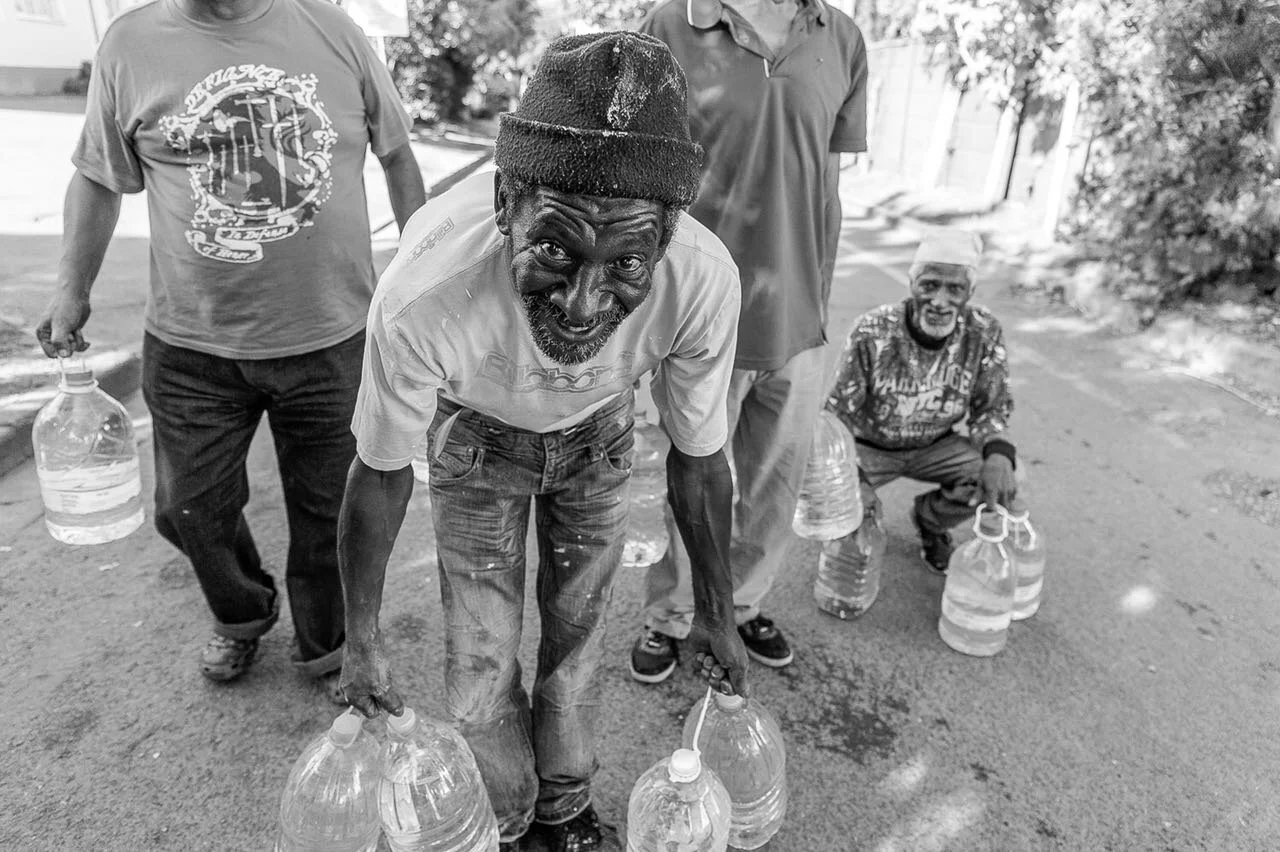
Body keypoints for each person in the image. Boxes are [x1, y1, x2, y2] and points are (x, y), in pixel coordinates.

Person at [336, 32, 751, 852]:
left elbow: (700, 459)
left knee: (578, 643)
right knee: (482, 659)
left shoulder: (703, 282)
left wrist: (715, 613)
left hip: (598, 440)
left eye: (627, 263)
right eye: (555, 249)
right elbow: (379, 471)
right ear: (503, 202)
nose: (583, 303)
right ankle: (509, 818)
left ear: (668, 236)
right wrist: (361, 638)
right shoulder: (425, 295)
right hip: (477, 446)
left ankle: (561, 811)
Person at [34, 0, 426, 701]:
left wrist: (419, 271)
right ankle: (242, 611)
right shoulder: (131, 44)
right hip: (191, 347)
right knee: (188, 506)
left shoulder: (334, 32)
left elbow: (396, 153)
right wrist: (72, 288)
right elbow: (97, 177)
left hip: (331, 337)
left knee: (330, 511)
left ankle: (327, 643)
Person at [630, 0, 870, 682]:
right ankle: (673, 615)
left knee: (772, 485)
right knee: (694, 478)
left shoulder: (841, 38)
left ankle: (740, 606)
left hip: (797, 317)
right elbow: (639, 175)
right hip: (697, 316)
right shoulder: (672, 25)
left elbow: (828, 183)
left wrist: (818, 305)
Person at [825, 228, 1018, 571]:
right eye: (929, 285)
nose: (940, 301)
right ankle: (854, 521)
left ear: (970, 292)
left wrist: (1000, 452)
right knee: (819, 483)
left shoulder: (984, 330)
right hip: (870, 448)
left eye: (955, 289)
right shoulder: (872, 330)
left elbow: (991, 408)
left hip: (936, 446)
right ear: (912, 284)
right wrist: (852, 479)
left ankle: (930, 521)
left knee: (1000, 474)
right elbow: (836, 415)